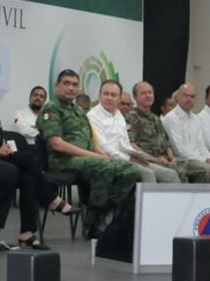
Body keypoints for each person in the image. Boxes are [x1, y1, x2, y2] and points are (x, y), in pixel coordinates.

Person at [37, 69, 137, 239]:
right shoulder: (51, 109)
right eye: (66, 83)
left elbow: (92, 140)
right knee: (103, 167)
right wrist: (94, 156)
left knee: (129, 170)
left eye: (75, 84)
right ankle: (94, 224)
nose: (71, 88)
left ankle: (99, 214)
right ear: (57, 86)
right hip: (63, 161)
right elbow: (56, 144)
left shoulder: (77, 110)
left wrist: (102, 155)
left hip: (85, 159)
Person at [0, 113, 76, 251]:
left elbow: (2, 138)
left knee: (29, 178)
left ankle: (27, 232)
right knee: (27, 158)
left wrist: (5, 147)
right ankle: (51, 199)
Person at [87, 80, 180, 184]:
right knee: (148, 174)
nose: (109, 98)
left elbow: (125, 143)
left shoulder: (118, 115)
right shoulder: (92, 116)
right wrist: (129, 158)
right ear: (99, 96)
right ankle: (147, 201)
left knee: (171, 175)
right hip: (109, 160)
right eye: (106, 94)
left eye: (113, 95)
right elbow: (104, 146)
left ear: (118, 98)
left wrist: (138, 155)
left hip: (128, 157)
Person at [126, 81, 210, 182]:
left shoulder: (155, 118)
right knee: (176, 173)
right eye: (143, 93)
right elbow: (132, 145)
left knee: (201, 171)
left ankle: (197, 198)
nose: (148, 95)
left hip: (165, 160)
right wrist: (154, 159)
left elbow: (167, 143)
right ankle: (179, 198)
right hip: (148, 160)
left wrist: (171, 159)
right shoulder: (131, 117)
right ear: (135, 97)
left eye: (150, 92)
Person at [162, 83, 210, 184]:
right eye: (185, 96)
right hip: (184, 160)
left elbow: (201, 145)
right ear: (177, 97)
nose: (189, 99)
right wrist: (206, 160)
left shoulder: (195, 119)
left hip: (200, 159)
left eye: (192, 96)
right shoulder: (171, 118)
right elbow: (179, 150)